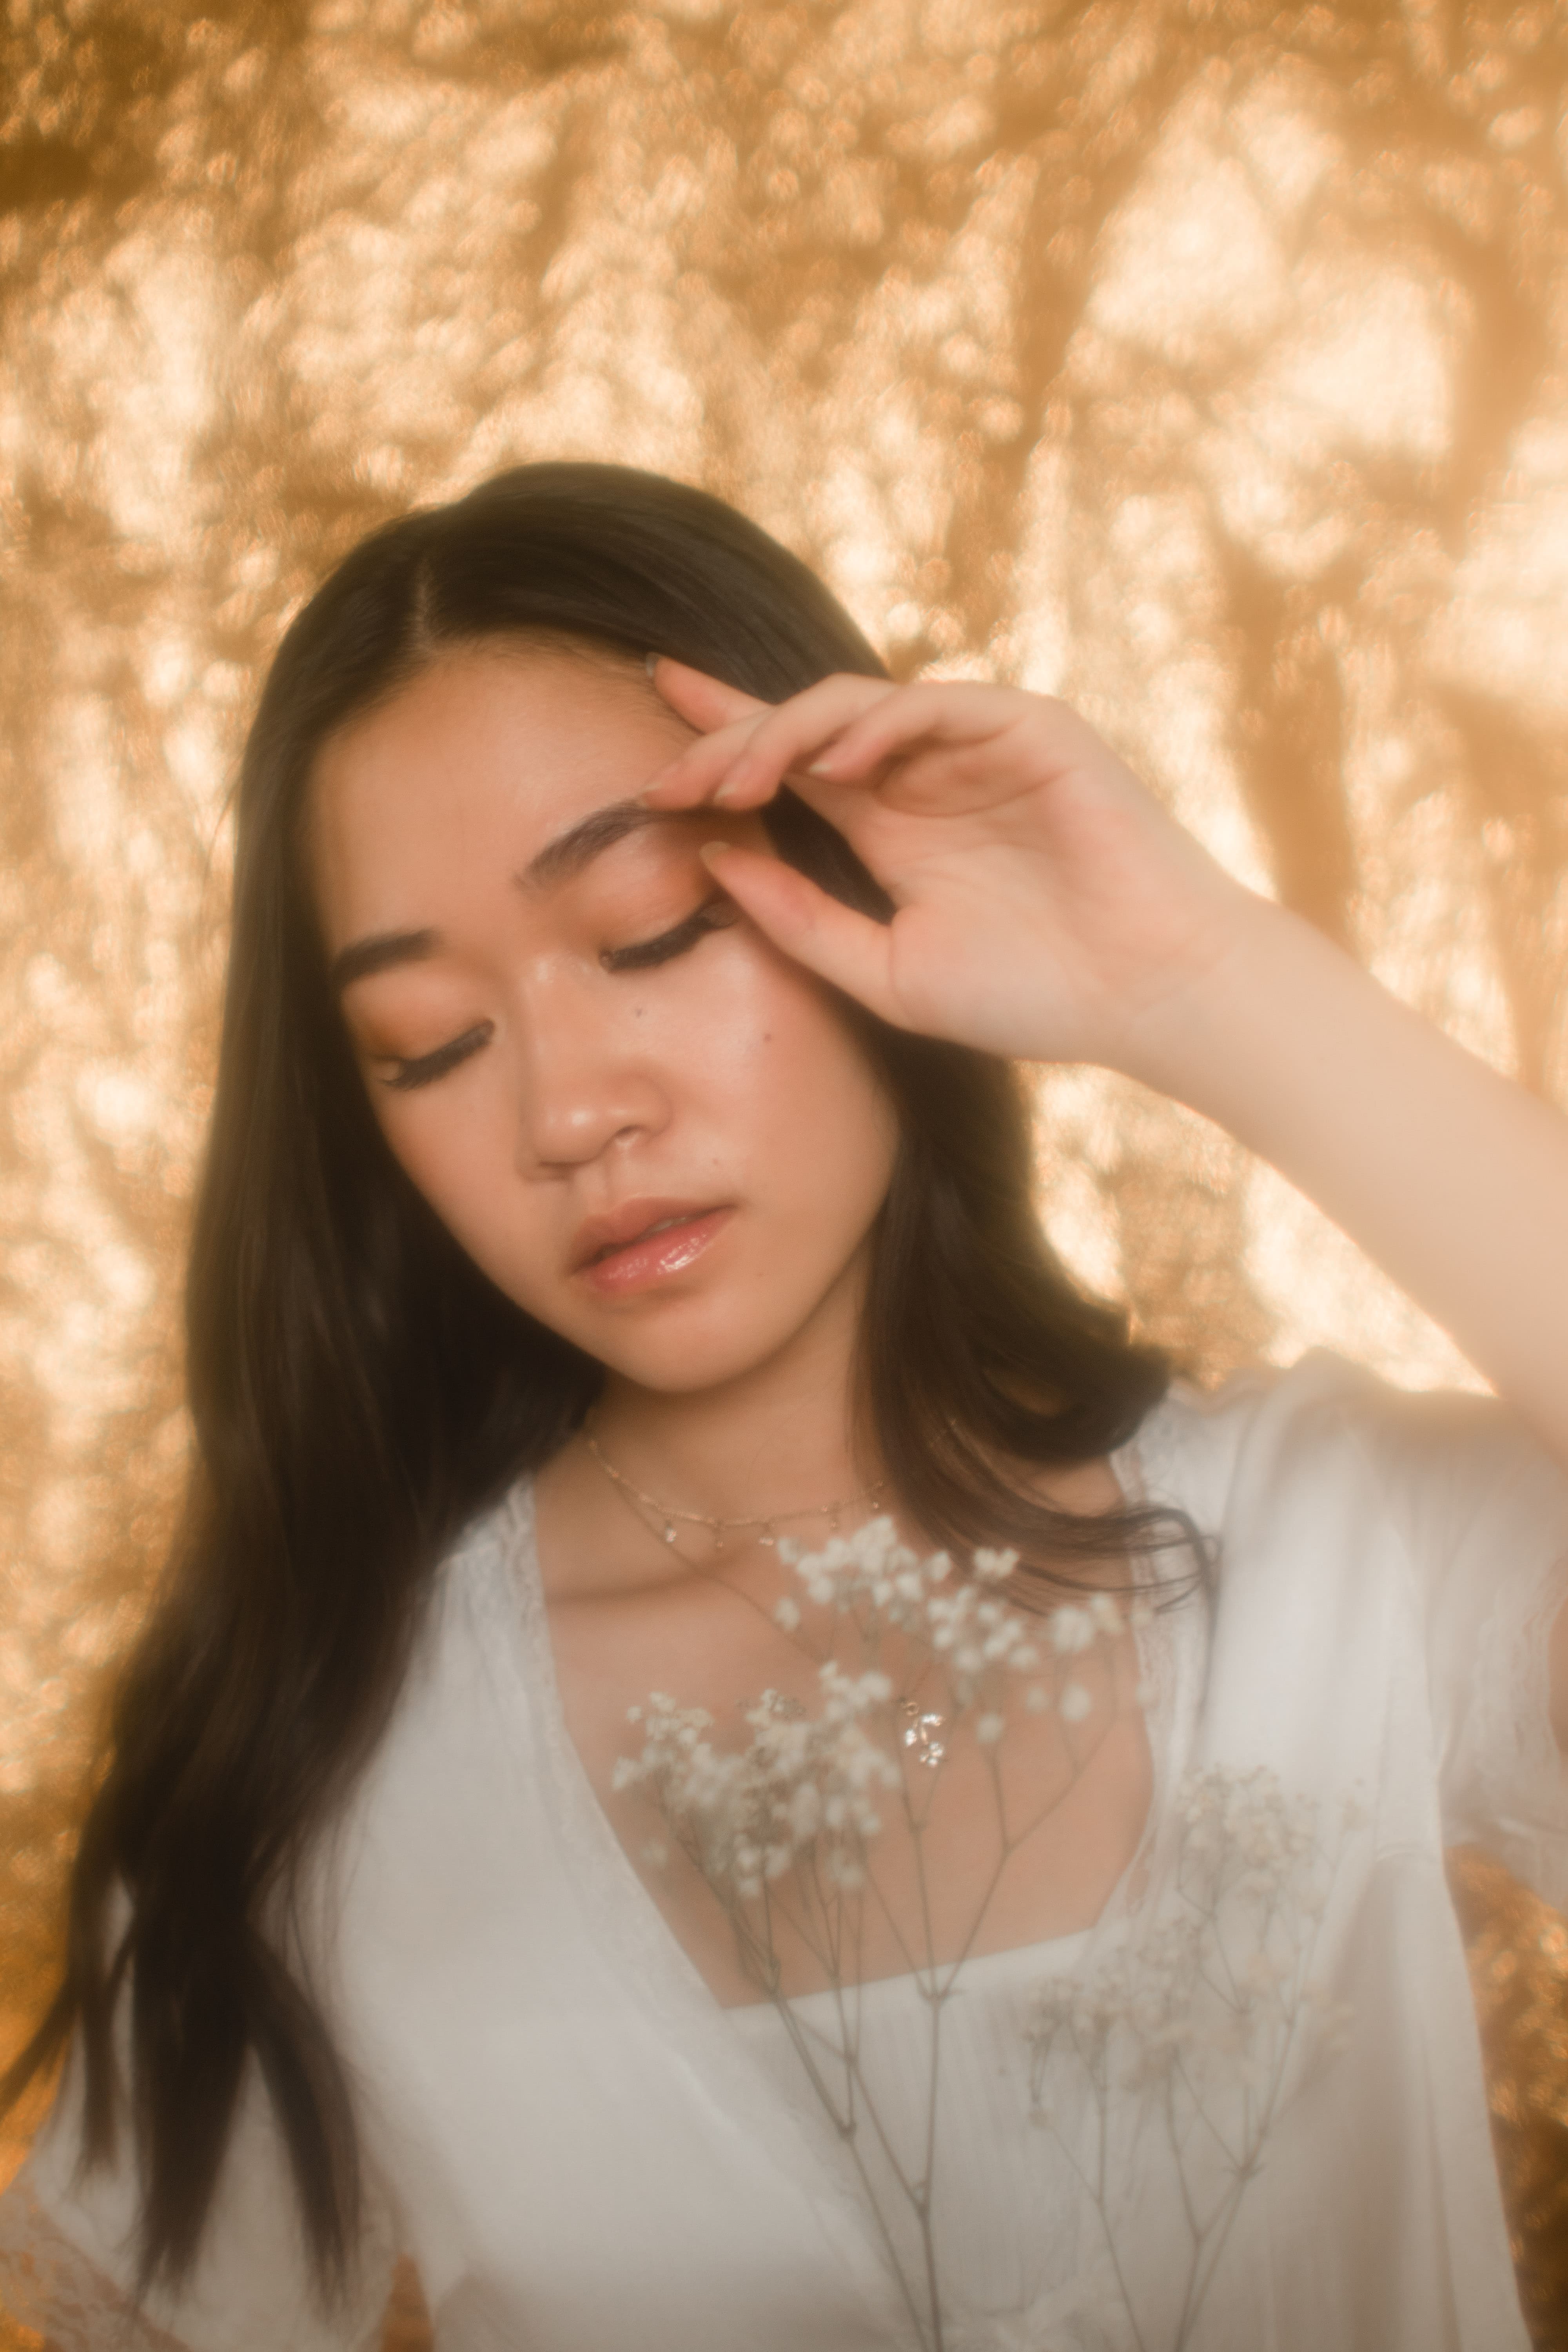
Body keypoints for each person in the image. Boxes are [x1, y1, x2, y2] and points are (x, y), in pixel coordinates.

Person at [0, 461, 1564, 2352]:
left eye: (654, 932)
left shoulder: (1344, 1559)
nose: (570, 1112)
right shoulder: (329, 1756)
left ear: (860, 886)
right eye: (429, 1045)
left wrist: (1198, 977)